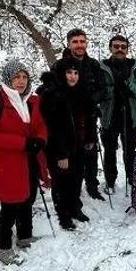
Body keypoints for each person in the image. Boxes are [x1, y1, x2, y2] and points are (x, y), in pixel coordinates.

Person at [0, 60, 48, 264]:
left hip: (29, 160)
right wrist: (23, 143)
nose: (21, 81)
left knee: (28, 199)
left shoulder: (32, 101)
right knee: (10, 205)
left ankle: (25, 236)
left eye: (24, 77)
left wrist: (40, 140)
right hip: (7, 162)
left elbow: (41, 125)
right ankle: (2, 246)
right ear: (8, 78)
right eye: (17, 77)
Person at [37, 59, 95, 230]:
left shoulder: (82, 91)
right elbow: (52, 128)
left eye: (76, 73)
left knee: (76, 179)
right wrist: (61, 153)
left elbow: (89, 117)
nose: (73, 76)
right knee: (62, 182)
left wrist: (90, 138)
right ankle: (63, 215)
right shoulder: (52, 95)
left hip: (79, 144)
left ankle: (75, 208)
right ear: (62, 74)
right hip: (60, 148)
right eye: (69, 72)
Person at [52, 29, 107, 201]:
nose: (79, 45)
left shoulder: (93, 65)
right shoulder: (60, 66)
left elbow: (103, 89)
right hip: (68, 119)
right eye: (75, 42)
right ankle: (69, 190)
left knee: (91, 153)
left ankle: (92, 185)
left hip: (88, 117)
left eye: (82, 41)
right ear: (69, 44)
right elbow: (52, 91)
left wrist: (91, 100)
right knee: (71, 154)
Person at [98, 35, 136, 194]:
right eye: (116, 46)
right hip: (109, 116)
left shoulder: (135, 66)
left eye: (123, 47)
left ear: (127, 49)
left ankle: (132, 178)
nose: (119, 49)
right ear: (110, 47)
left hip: (129, 115)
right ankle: (110, 181)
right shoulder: (102, 66)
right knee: (109, 150)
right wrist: (112, 90)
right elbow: (99, 90)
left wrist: (128, 86)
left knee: (130, 150)